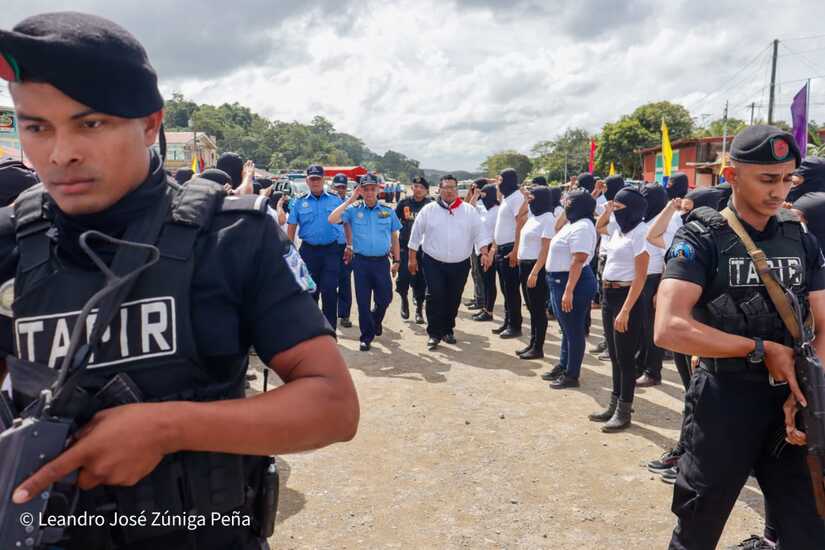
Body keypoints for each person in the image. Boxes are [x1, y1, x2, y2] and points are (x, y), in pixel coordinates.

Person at [0, 12, 358, 550]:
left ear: (149, 123)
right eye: (36, 127)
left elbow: (332, 406)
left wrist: (169, 428)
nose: (60, 152)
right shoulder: (10, 241)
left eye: (90, 123)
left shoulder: (233, 235)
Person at [655, 125, 825, 549]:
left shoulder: (799, 237)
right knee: (700, 523)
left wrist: (803, 384)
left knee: (808, 527)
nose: (779, 191)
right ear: (731, 176)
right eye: (768, 179)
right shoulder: (702, 236)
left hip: (791, 405)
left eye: (788, 179)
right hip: (724, 400)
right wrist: (759, 349)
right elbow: (669, 326)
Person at [407, 175, 492, 349]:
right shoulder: (429, 210)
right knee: (435, 295)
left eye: (452, 187)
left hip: (460, 263)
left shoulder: (469, 211)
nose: (449, 191)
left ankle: (448, 330)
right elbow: (415, 235)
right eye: (445, 187)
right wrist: (412, 258)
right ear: (439, 189)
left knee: (453, 298)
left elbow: (480, 234)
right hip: (433, 261)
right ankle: (434, 333)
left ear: (457, 189)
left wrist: (484, 252)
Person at [590, 187, 649, 431]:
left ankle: (624, 411)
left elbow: (641, 276)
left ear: (634, 209)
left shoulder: (640, 233)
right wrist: (608, 209)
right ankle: (614, 405)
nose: (616, 212)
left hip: (627, 297)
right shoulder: (618, 229)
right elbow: (598, 227)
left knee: (625, 359)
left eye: (620, 208)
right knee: (614, 356)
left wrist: (626, 310)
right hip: (609, 294)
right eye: (615, 207)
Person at [328, 174, 400, 351]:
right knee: (363, 301)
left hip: (382, 262)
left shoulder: (387, 211)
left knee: (385, 298)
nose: (369, 192)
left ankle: (375, 321)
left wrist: (397, 260)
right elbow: (332, 219)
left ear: (378, 190)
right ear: (361, 190)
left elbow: (394, 237)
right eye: (365, 189)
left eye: (372, 189)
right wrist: (352, 198)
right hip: (361, 262)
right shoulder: (353, 210)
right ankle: (366, 337)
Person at [534, 189, 598, 387]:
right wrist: (566, 206)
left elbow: (578, 260)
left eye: (569, 204)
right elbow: (556, 224)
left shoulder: (583, 227)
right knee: (566, 328)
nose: (565, 207)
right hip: (559, 281)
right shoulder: (574, 223)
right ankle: (563, 365)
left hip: (572, 282)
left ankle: (572, 374)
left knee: (574, 330)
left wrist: (569, 290)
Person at [287, 164, 344, 329]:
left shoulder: (335, 199)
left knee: (330, 290)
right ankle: (311, 329)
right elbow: (291, 226)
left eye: (318, 178)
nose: (315, 182)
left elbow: (345, 223)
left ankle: (330, 329)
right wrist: (291, 251)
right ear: (307, 180)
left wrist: (348, 244)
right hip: (308, 252)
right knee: (310, 291)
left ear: (324, 179)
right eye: (312, 179)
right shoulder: (298, 201)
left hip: (331, 250)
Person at [515, 186, 555, 360]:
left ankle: (538, 347)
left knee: (538, 309)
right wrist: (525, 199)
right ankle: (532, 343)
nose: (530, 200)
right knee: (531, 308)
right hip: (524, 266)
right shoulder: (534, 216)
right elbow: (519, 216)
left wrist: (535, 271)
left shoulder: (547, 219)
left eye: (532, 197)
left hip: (535, 268)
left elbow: (546, 248)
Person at [635, 182, 668, 387]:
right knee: (640, 328)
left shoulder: (667, 220)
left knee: (651, 330)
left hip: (655, 278)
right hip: (641, 277)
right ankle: (640, 364)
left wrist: (660, 289)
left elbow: (670, 258)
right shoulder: (645, 218)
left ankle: (653, 371)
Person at [490, 168, 524, 338]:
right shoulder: (507, 197)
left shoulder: (517, 198)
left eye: (501, 180)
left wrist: (516, 249)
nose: (499, 183)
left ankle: (515, 325)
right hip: (502, 248)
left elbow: (521, 222)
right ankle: (508, 320)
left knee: (511, 290)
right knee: (505, 289)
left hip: (510, 248)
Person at [394, 175, 431, 323]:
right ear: (412, 187)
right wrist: (393, 245)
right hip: (405, 246)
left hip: (424, 248)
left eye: (421, 187)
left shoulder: (430, 205)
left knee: (421, 279)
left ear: (426, 191)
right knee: (403, 277)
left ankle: (419, 310)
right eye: (416, 186)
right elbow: (393, 224)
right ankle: (404, 299)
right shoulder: (404, 203)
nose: (418, 190)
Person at [329, 174, 355, 328]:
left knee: (345, 280)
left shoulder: (352, 204)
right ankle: (330, 313)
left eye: (343, 187)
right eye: (337, 187)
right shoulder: (328, 202)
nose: (340, 190)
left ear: (347, 187)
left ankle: (344, 315)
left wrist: (350, 245)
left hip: (346, 246)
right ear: (333, 187)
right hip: (330, 247)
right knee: (330, 281)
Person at [472, 182, 500, 323]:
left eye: (484, 195)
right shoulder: (483, 208)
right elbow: (470, 209)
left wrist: (491, 253)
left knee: (489, 281)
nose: (482, 198)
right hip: (480, 248)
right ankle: (485, 308)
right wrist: (475, 195)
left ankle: (489, 311)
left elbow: (497, 234)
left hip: (490, 249)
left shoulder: (497, 211)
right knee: (483, 280)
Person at [465, 179, 487, 311]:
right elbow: (466, 205)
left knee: (478, 272)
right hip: (473, 242)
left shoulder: (484, 204)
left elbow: (469, 209)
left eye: (475, 188)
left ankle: (481, 300)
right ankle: (477, 296)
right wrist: (470, 192)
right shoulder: (477, 201)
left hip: (480, 243)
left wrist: (475, 194)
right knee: (474, 271)